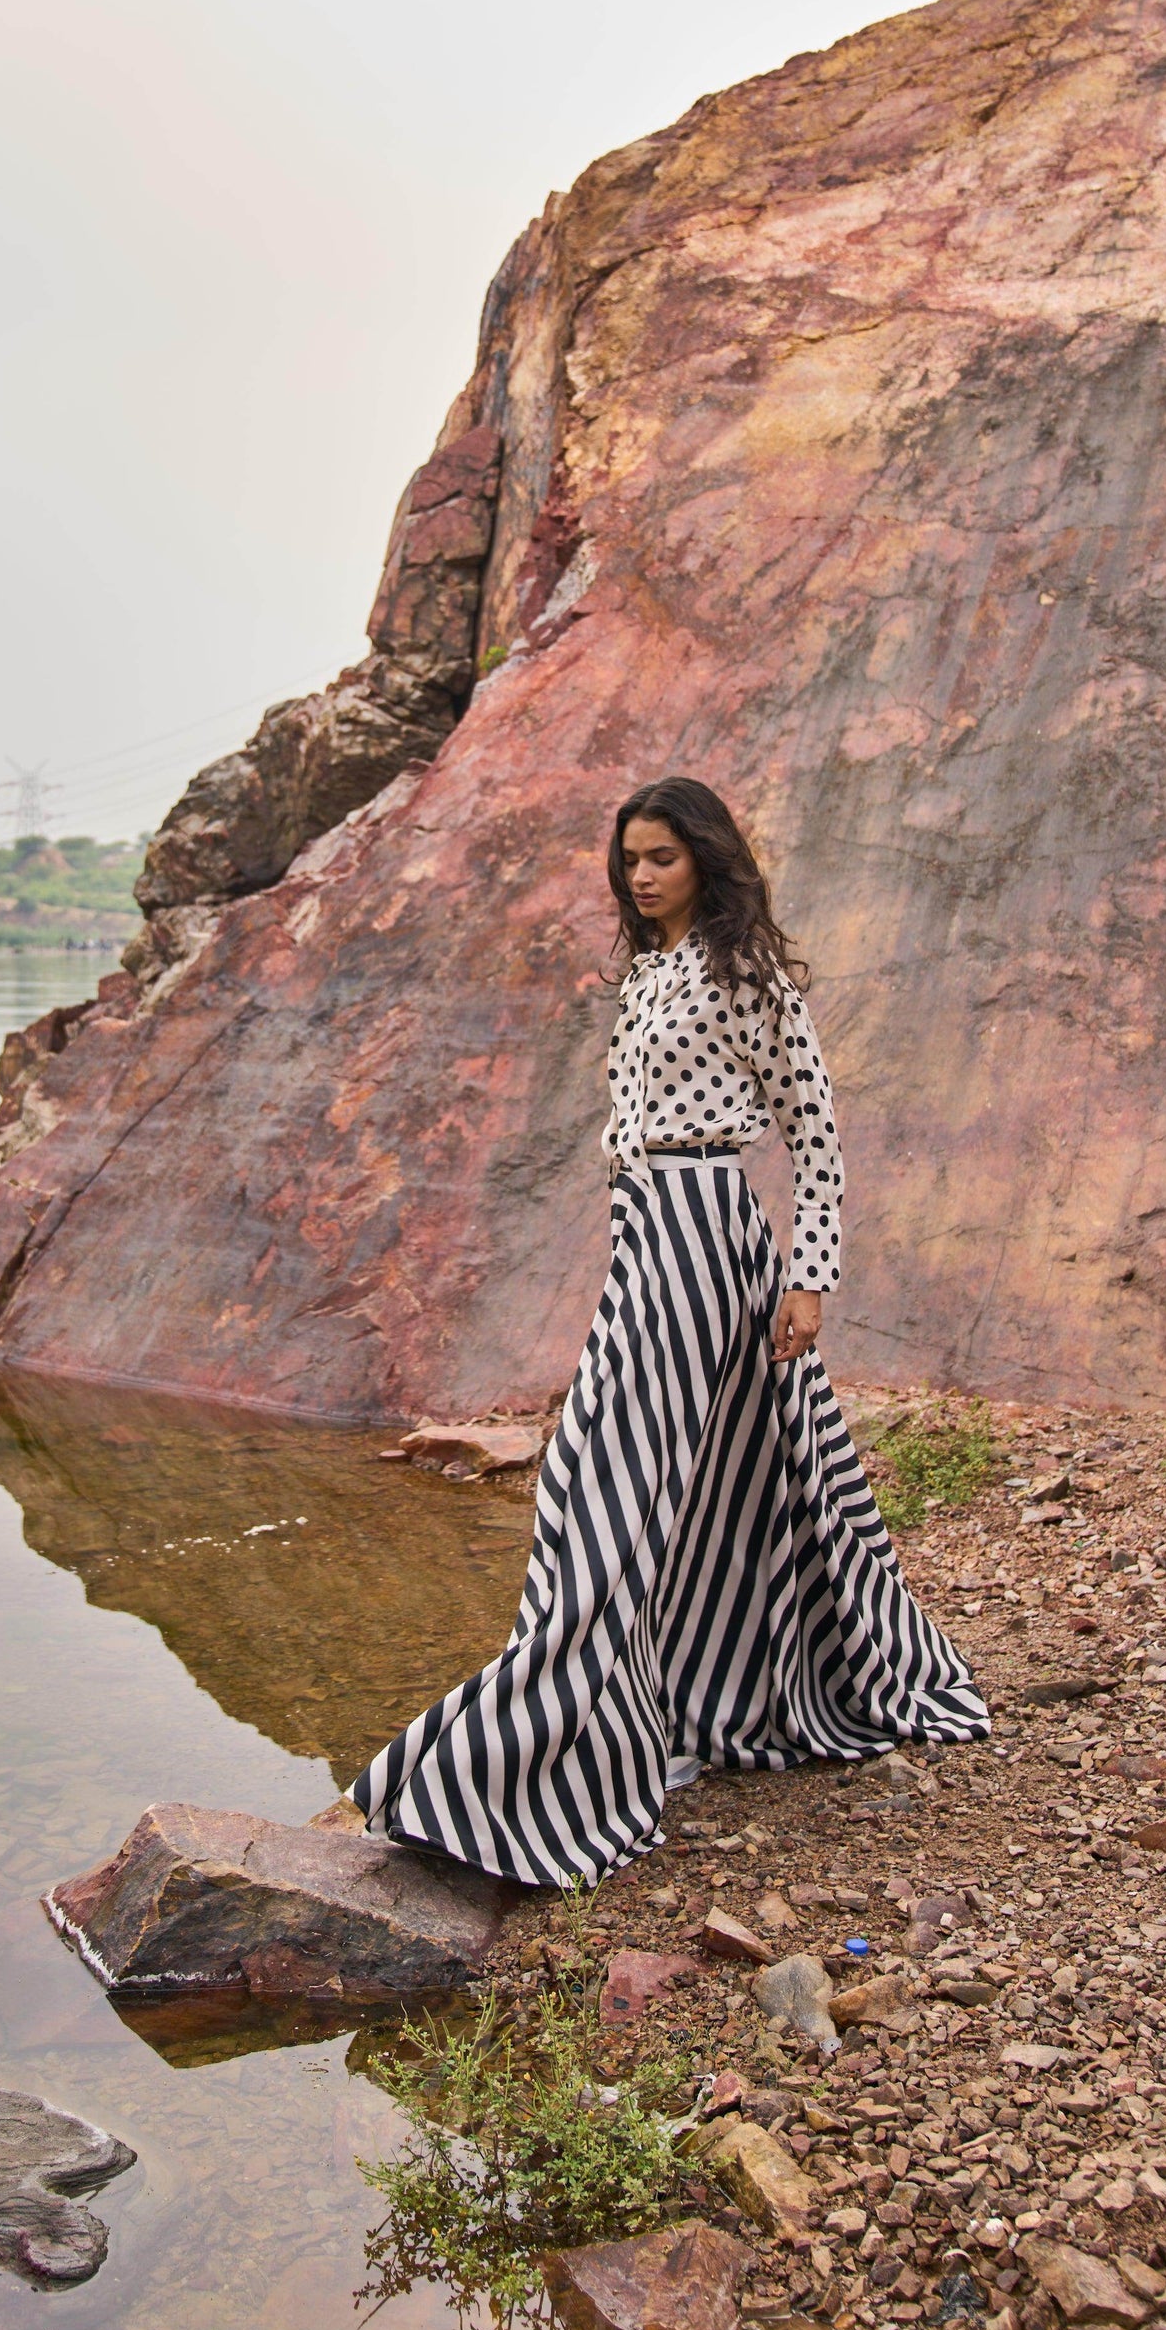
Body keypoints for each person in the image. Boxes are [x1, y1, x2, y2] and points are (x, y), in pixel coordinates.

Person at [348, 775, 988, 1888]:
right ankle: (679, 1700)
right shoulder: (647, 972)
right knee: (716, 1478)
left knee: (598, 1476)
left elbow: (816, 1135)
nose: (640, 877)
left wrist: (809, 1279)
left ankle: (543, 1744)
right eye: (629, 860)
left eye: (661, 857)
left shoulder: (747, 977)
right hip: (646, 1231)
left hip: (704, 1229)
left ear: (705, 857)